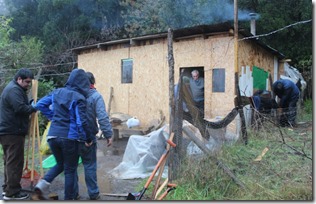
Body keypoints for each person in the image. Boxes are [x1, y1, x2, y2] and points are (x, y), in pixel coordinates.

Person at [34, 68, 93, 200]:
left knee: (60, 164)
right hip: (69, 138)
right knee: (70, 170)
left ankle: (42, 185)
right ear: (83, 83)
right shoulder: (79, 98)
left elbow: (39, 104)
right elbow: (81, 121)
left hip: (52, 136)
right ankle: (68, 199)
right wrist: (88, 138)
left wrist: (52, 116)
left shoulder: (57, 92)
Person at [74, 71, 113, 200]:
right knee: (89, 165)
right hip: (88, 138)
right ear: (93, 82)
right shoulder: (96, 96)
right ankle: (93, 194)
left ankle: (73, 194)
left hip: (72, 137)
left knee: (72, 167)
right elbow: (102, 117)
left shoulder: (73, 94)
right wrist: (108, 134)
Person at [0, 68, 37, 200]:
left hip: (8, 131)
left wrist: (29, 104)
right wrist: (33, 107)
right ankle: (12, 192)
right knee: (15, 162)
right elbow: (20, 108)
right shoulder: (14, 90)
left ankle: (8, 188)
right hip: (12, 132)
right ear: (19, 79)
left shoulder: (14, 89)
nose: (28, 84)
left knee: (10, 161)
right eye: (27, 82)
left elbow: (20, 105)